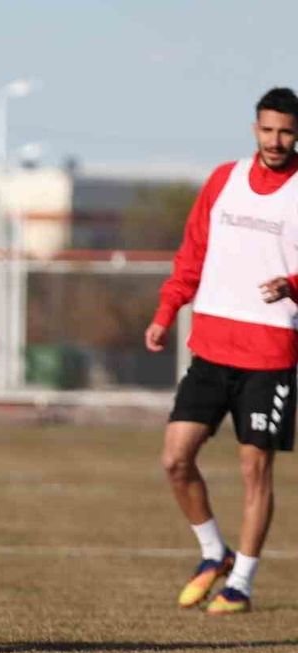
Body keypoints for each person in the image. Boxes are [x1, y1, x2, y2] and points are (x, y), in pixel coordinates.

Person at [146, 87, 298, 615]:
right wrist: (166, 311)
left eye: (285, 131)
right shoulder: (223, 180)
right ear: (255, 129)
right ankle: (215, 552)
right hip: (212, 347)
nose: (275, 140)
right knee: (175, 458)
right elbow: (193, 252)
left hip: (269, 354)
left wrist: (293, 285)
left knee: (255, 473)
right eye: (267, 129)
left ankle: (242, 584)